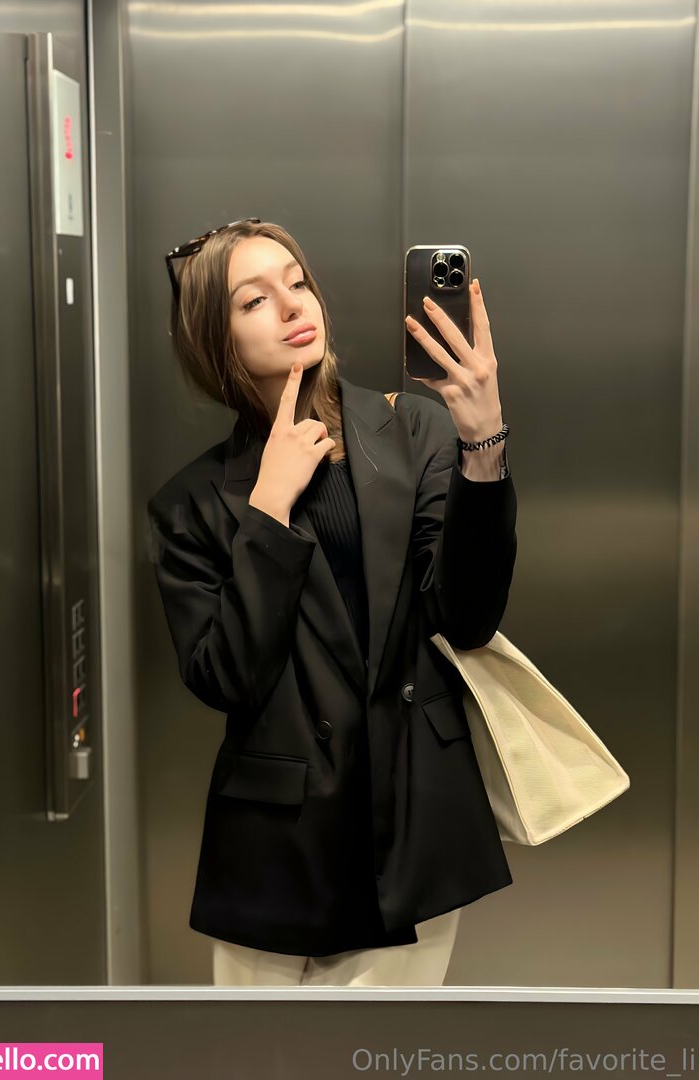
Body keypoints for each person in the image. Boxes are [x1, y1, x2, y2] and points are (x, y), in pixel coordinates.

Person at [147, 219, 517, 986]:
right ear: (215, 340)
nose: (291, 305)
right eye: (254, 300)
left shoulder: (413, 429)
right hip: (274, 848)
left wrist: (483, 443)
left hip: (412, 823)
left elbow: (467, 618)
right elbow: (227, 677)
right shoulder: (190, 503)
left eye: (297, 282)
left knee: (386, 1049)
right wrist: (268, 510)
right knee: (256, 1051)